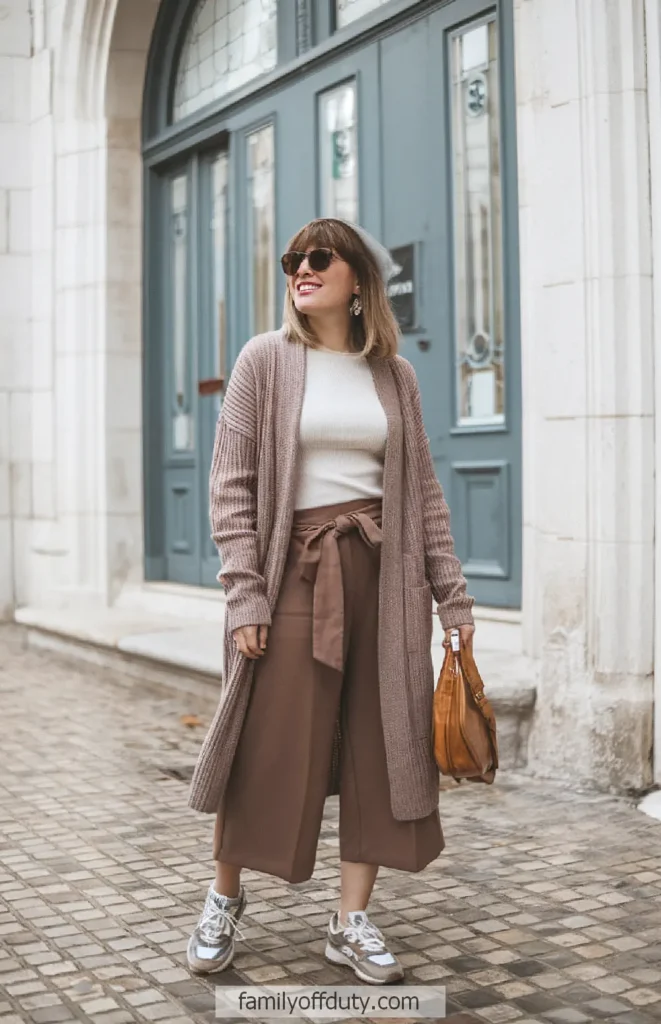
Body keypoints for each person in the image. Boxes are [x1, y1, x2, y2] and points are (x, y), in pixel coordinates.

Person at [186, 218, 475, 983]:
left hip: (383, 579)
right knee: (267, 743)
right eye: (292, 260)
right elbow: (231, 486)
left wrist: (452, 600)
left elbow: (423, 494)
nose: (301, 270)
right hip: (292, 575)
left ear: (357, 281)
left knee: (383, 748)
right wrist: (244, 593)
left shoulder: (394, 376)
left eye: (319, 258)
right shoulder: (265, 360)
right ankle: (223, 897)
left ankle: (350, 922)